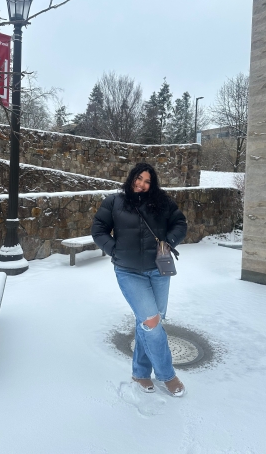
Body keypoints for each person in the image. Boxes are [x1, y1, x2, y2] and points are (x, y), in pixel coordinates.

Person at [91, 162, 187, 396]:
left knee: (146, 322)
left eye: (147, 181)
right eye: (139, 179)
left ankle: (140, 373)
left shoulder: (162, 201)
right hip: (128, 271)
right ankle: (167, 375)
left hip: (159, 270)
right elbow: (98, 229)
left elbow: (180, 223)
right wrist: (115, 250)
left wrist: (169, 242)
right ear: (132, 177)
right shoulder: (114, 202)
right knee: (152, 322)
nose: (142, 184)